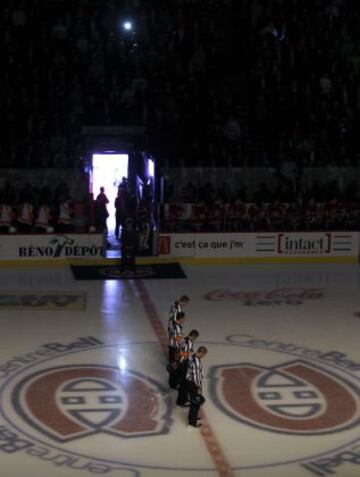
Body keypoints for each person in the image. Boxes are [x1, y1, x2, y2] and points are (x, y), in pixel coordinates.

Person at [185, 346, 208, 428]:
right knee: (195, 403)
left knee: (193, 401)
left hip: (188, 382)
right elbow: (196, 376)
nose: (203, 356)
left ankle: (192, 417)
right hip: (194, 384)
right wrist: (199, 387)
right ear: (201, 352)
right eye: (204, 354)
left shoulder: (192, 356)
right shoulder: (197, 362)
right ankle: (192, 422)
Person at [176, 330, 199, 407]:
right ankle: (182, 401)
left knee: (183, 382)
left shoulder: (184, 339)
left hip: (181, 362)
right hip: (184, 363)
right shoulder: (189, 342)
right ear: (193, 336)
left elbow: (179, 348)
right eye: (195, 338)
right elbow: (183, 353)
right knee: (185, 383)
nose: (194, 339)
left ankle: (181, 400)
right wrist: (192, 354)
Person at [168, 295, 190, 364]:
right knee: (176, 341)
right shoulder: (179, 309)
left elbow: (170, 311)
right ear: (184, 301)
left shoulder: (174, 303)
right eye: (186, 303)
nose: (186, 305)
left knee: (171, 339)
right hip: (174, 324)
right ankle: (175, 359)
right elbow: (177, 318)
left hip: (170, 324)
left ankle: (172, 356)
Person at [168, 311, 185, 389]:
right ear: (180, 318)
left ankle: (172, 381)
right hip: (175, 348)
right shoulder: (177, 327)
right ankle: (173, 383)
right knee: (175, 365)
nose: (184, 320)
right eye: (183, 319)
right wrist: (182, 337)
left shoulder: (173, 324)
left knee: (173, 364)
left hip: (172, 347)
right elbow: (176, 338)